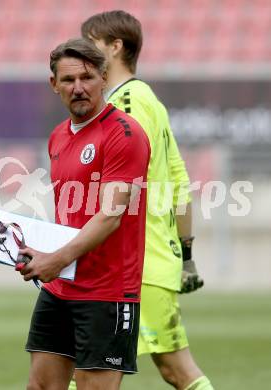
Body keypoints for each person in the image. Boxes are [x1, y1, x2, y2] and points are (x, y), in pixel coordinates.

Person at [76, 10, 214, 390]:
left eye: (91, 41)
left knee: (174, 369)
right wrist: (185, 256)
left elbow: (118, 190)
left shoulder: (128, 104)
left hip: (137, 261)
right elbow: (179, 182)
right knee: (90, 371)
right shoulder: (146, 98)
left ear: (115, 47)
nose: (83, 50)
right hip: (145, 259)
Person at [18, 38, 150, 390]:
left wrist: (55, 260)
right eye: (68, 80)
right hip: (61, 286)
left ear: (104, 77)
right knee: (41, 386)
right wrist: (38, 252)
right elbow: (71, 215)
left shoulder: (124, 134)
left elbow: (110, 216)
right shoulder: (58, 136)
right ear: (54, 85)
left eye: (87, 78)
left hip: (106, 291)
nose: (78, 88)